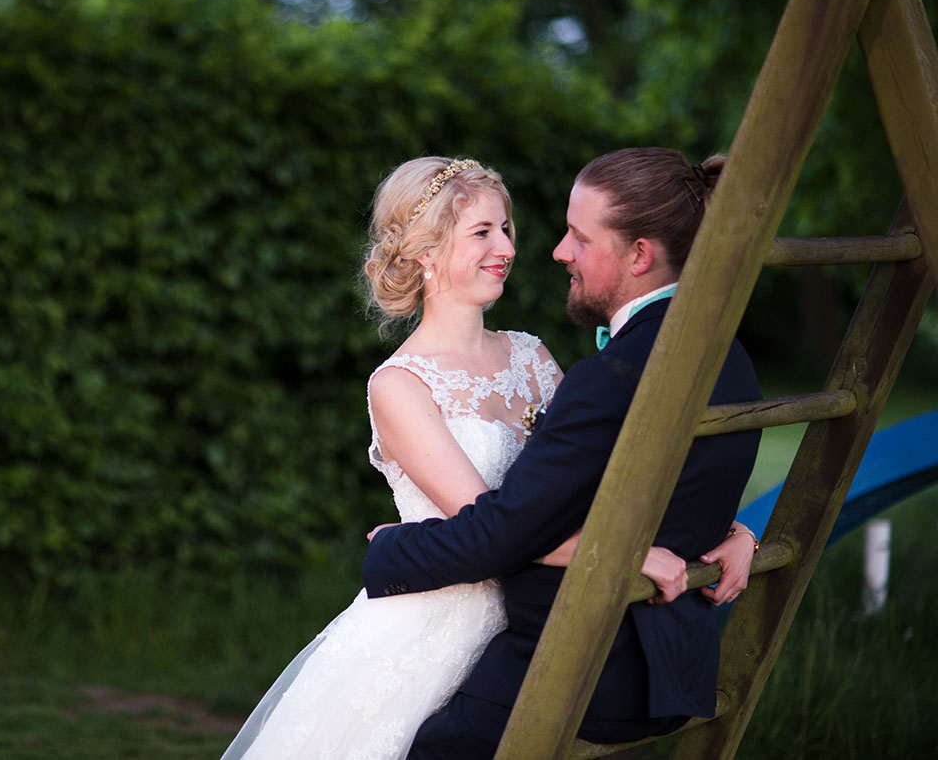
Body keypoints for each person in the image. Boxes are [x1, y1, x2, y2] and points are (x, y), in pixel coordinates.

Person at [220, 155, 755, 760]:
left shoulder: (531, 356)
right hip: (439, 617)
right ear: (425, 251)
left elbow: (590, 479)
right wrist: (625, 552)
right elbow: (492, 526)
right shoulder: (399, 386)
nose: (506, 247)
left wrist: (733, 529)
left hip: (527, 612)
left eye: (506, 228)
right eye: (482, 232)